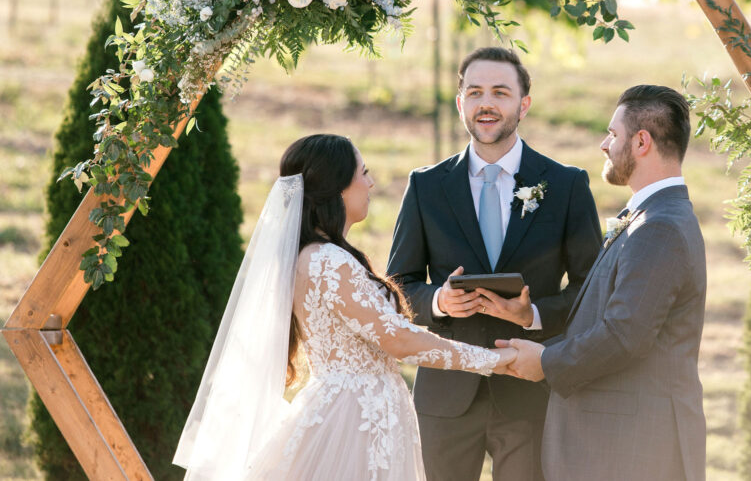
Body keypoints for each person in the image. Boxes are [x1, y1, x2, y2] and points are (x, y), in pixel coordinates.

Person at [173, 134, 517, 481]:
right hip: (353, 422)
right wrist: (493, 360)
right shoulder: (328, 261)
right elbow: (397, 340)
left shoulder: (316, 255)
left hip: (359, 412)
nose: (371, 182)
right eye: (363, 172)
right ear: (338, 188)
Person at [386, 47, 602, 481]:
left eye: (500, 92)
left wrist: (534, 314)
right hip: (445, 393)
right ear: (460, 101)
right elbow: (399, 285)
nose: (487, 103)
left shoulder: (565, 184)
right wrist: (440, 303)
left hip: (529, 391)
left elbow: (591, 288)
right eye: (475, 91)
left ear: (523, 104)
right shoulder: (426, 186)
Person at [499, 84, 707, 481]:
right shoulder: (655, 216)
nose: (603, 144)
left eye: (613, 135)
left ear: (642, 142)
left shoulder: (659, 227)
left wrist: (545, 362)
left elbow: (625, 335)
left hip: (629, 450)